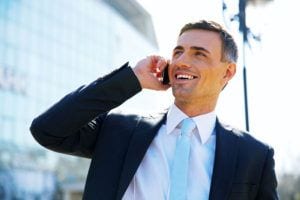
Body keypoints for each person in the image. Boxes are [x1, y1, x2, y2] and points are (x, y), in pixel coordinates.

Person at [30, 20, 278, 200]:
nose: (182, 60)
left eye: (199, 54)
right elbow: (47, 129)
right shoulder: (119, 131)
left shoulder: (254, 156)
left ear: (228, 72)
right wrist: (132, 79)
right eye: (178, 51)